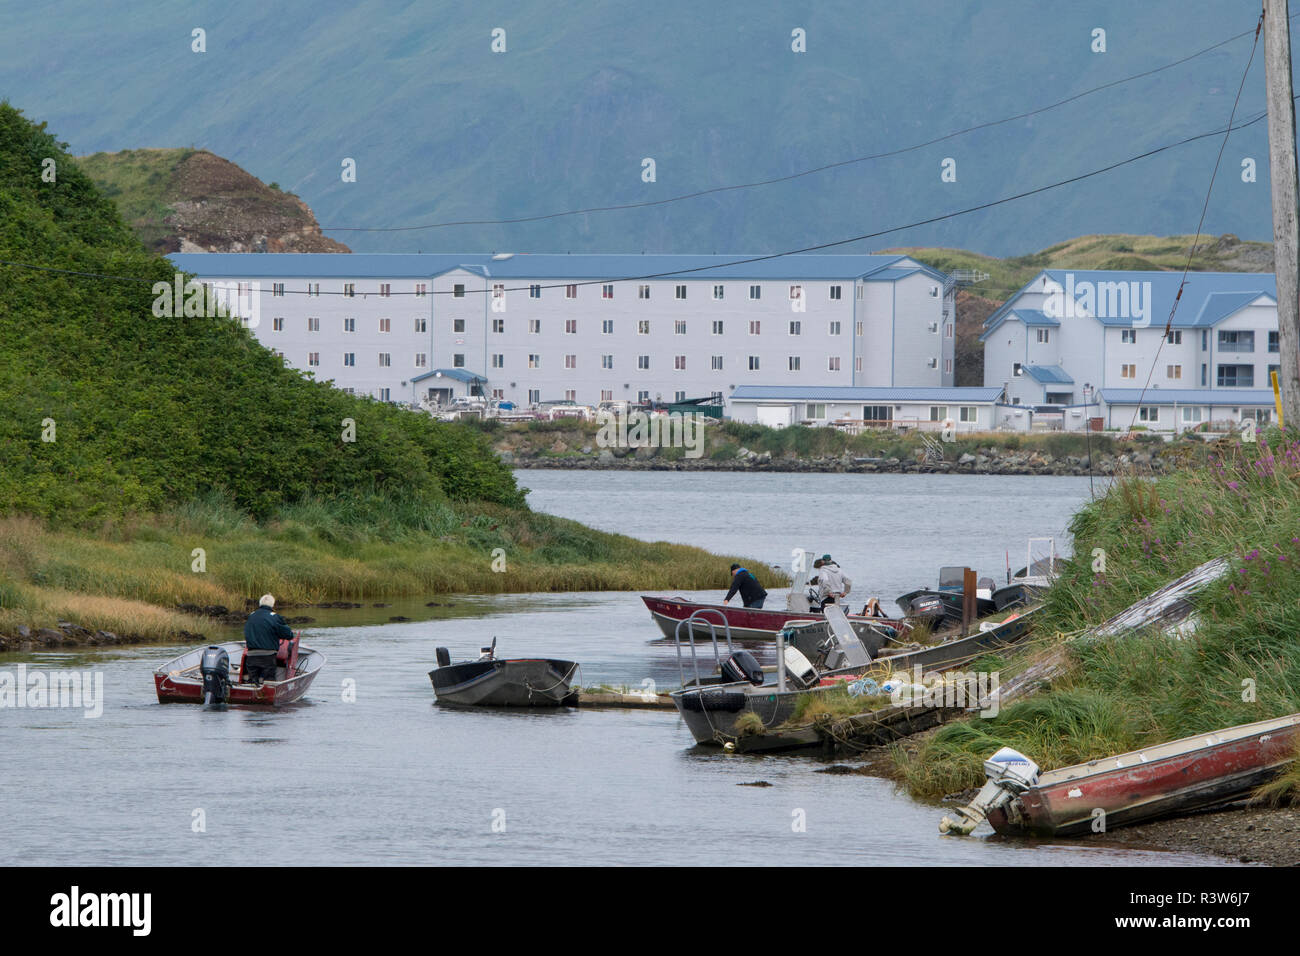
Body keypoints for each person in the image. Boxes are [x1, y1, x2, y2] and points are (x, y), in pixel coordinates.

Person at [243, 594, 293, 685]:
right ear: (272, 604)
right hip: (268, 656)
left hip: (251, 655)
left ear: (260, 603)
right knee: (269, 682)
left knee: (252, 682)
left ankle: (250, 694)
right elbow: (288, 635)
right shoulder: (275, 617)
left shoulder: (251, 616)